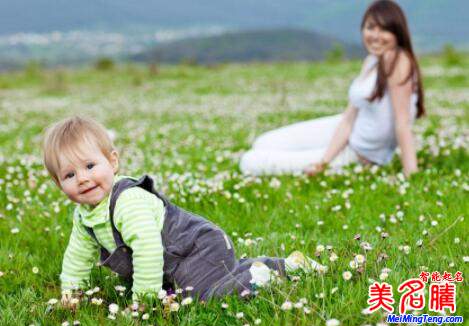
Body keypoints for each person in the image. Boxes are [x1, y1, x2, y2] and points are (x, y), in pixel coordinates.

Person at [42, 116, 325, 306]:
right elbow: (77, 257)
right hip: (173, 264)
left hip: (197, 248)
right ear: (58, 183)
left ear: (112, 162)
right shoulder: (85, 216)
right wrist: (71, 292)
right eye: (69, 175)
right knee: (182, 291)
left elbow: (149, 249)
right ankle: (268, 265)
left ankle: (269, 273)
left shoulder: (127, 202)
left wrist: (145, 299)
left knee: (206, 295)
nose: (82, 178)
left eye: (90, 166)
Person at [240, 0, 424, 177]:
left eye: (384, 29)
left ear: (398, 33)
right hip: (343, 129)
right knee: (263, 142)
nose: (375, 35)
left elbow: (402, 123)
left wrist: (411, 174)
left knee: (249, 162)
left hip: (360, 152)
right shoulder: (372, 60)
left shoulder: (398, 62)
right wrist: (325, 160)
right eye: (370, 27)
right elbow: (349, 119)